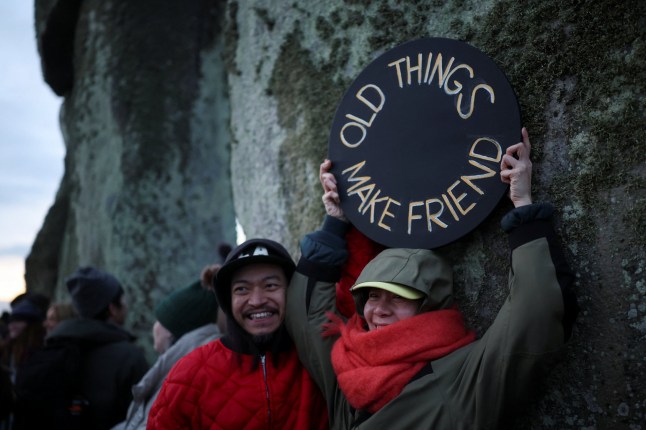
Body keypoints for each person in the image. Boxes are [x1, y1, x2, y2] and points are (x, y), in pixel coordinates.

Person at [285, 128, 579, 429]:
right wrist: (336, 220)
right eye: (372, 296)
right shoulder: (346, 370)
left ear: (429, 305)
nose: (379, 310)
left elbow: (537, 313)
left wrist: (523, 206)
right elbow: (304, 316)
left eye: (398, 296)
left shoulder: (460, 379)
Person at [148, 239, 329, 429]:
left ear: (291, 292)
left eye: (270, 286)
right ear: (228, 300)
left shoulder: (316, 358)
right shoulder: (189, 374)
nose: (257, 300)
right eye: (242, 289)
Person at [12, 266, 149, 430]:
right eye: (123, 300)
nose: (126, 306)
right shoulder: (129, 357)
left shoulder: (48, 350)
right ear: (112, 308)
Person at [112, 266, 224, 430]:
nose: (155, 327)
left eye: (162, 321)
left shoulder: (188, 378)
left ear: (177, 331)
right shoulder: (175, 369)